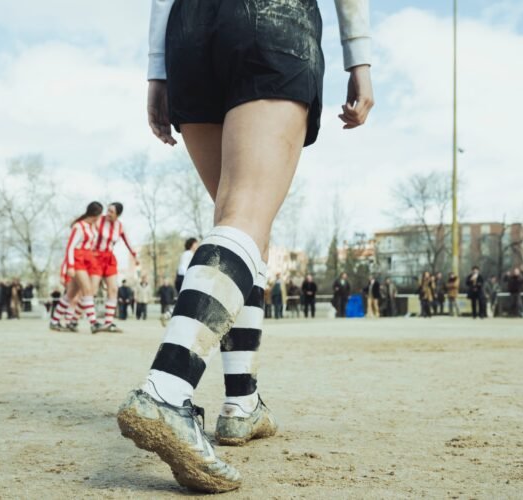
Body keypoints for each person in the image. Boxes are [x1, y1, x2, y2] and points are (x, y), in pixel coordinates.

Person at [116, 0, 373, 492]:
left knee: (241, 229)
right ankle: (166, 389)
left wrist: (158, 71)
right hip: (273, 19)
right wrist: (358, 59)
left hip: (189, 29)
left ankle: (242, 402)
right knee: (246, 214)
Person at [49, 202, 104, 334]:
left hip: (87, 259)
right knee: (87, 290)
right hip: (78, 259)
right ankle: (94, 323)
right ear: (95, 214)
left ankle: (54, 321)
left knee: (71, 294)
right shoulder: (79, 226)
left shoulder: (91, 226)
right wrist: (70, 266)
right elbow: (70, 247)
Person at [91, 202, 139, 332]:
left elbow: (127, 241)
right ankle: (87, 321)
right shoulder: (99, 220)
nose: (108, 213)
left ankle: (108, 323)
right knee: (92, 290)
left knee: (113, 289)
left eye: (111, 212)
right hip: (96, 257)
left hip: (109, 258)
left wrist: (135, 256)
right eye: (108, 210)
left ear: (118, 214)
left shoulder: (120, 226)